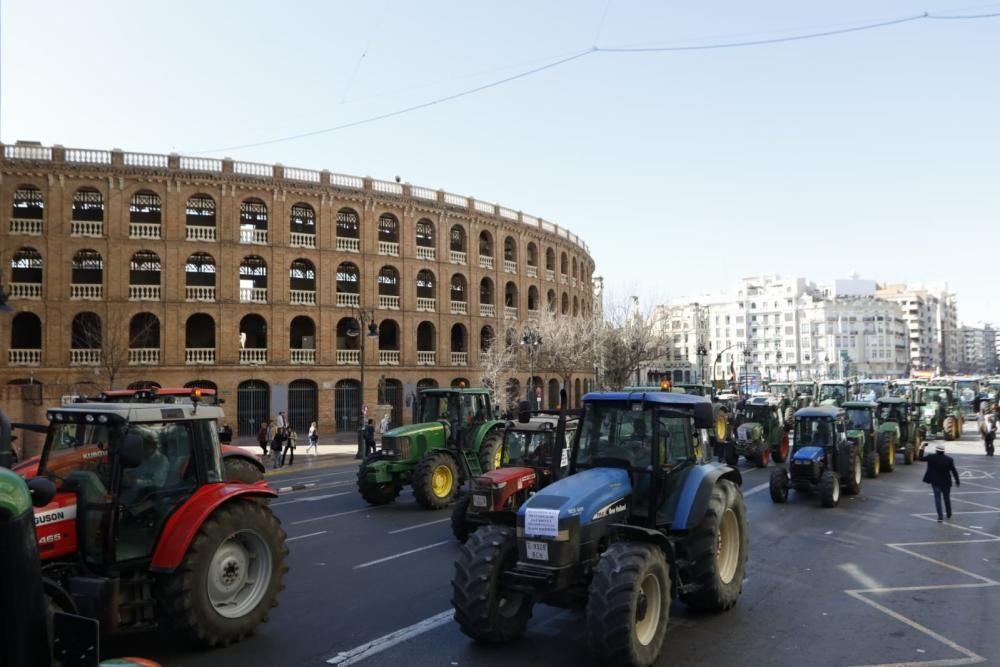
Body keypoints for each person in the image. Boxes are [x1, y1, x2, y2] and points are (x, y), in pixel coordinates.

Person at [918, 442, 960, 522]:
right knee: (946, 498)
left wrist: (922, 447)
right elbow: (954, 471)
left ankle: (940, 516)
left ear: (936, 451)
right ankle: (948, 512)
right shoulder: (949, 459)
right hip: (946, 482)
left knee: (937, 498)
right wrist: (957, 481)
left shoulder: (931, 457)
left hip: (935, 482)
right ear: (943, 451)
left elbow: (920, 458)